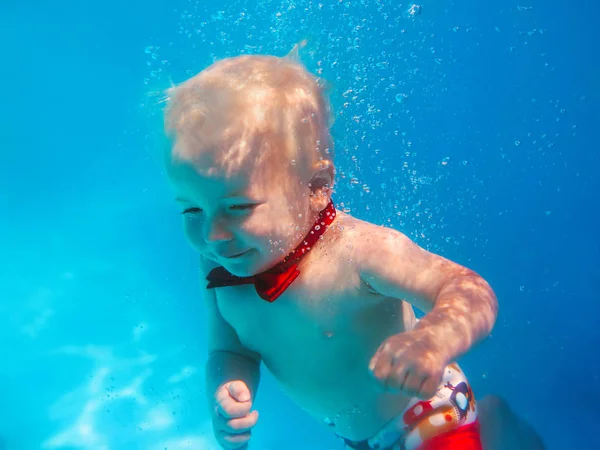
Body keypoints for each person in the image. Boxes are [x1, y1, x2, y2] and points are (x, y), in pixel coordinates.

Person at [162, 49, 505, 450]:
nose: (213, 234)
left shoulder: (357, 250)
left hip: (430, 415)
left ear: (316, 187)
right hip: (360, 441)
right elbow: (228, 347)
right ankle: (501, 425)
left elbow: (470, 290)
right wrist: (228, 387)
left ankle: (498, 424)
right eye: (191, 209)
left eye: (238, 207)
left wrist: (433, 340)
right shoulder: (220, 264)